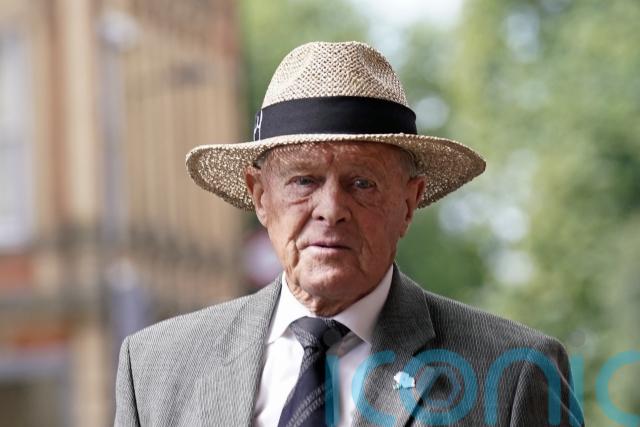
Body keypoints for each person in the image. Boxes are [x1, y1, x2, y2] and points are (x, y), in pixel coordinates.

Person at [114, 41, 584, 427]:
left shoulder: (515, 374)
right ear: (259, 196)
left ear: (409, 202)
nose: (332, 210)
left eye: (362, 183)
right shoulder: (156, 368)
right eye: (304, 181)